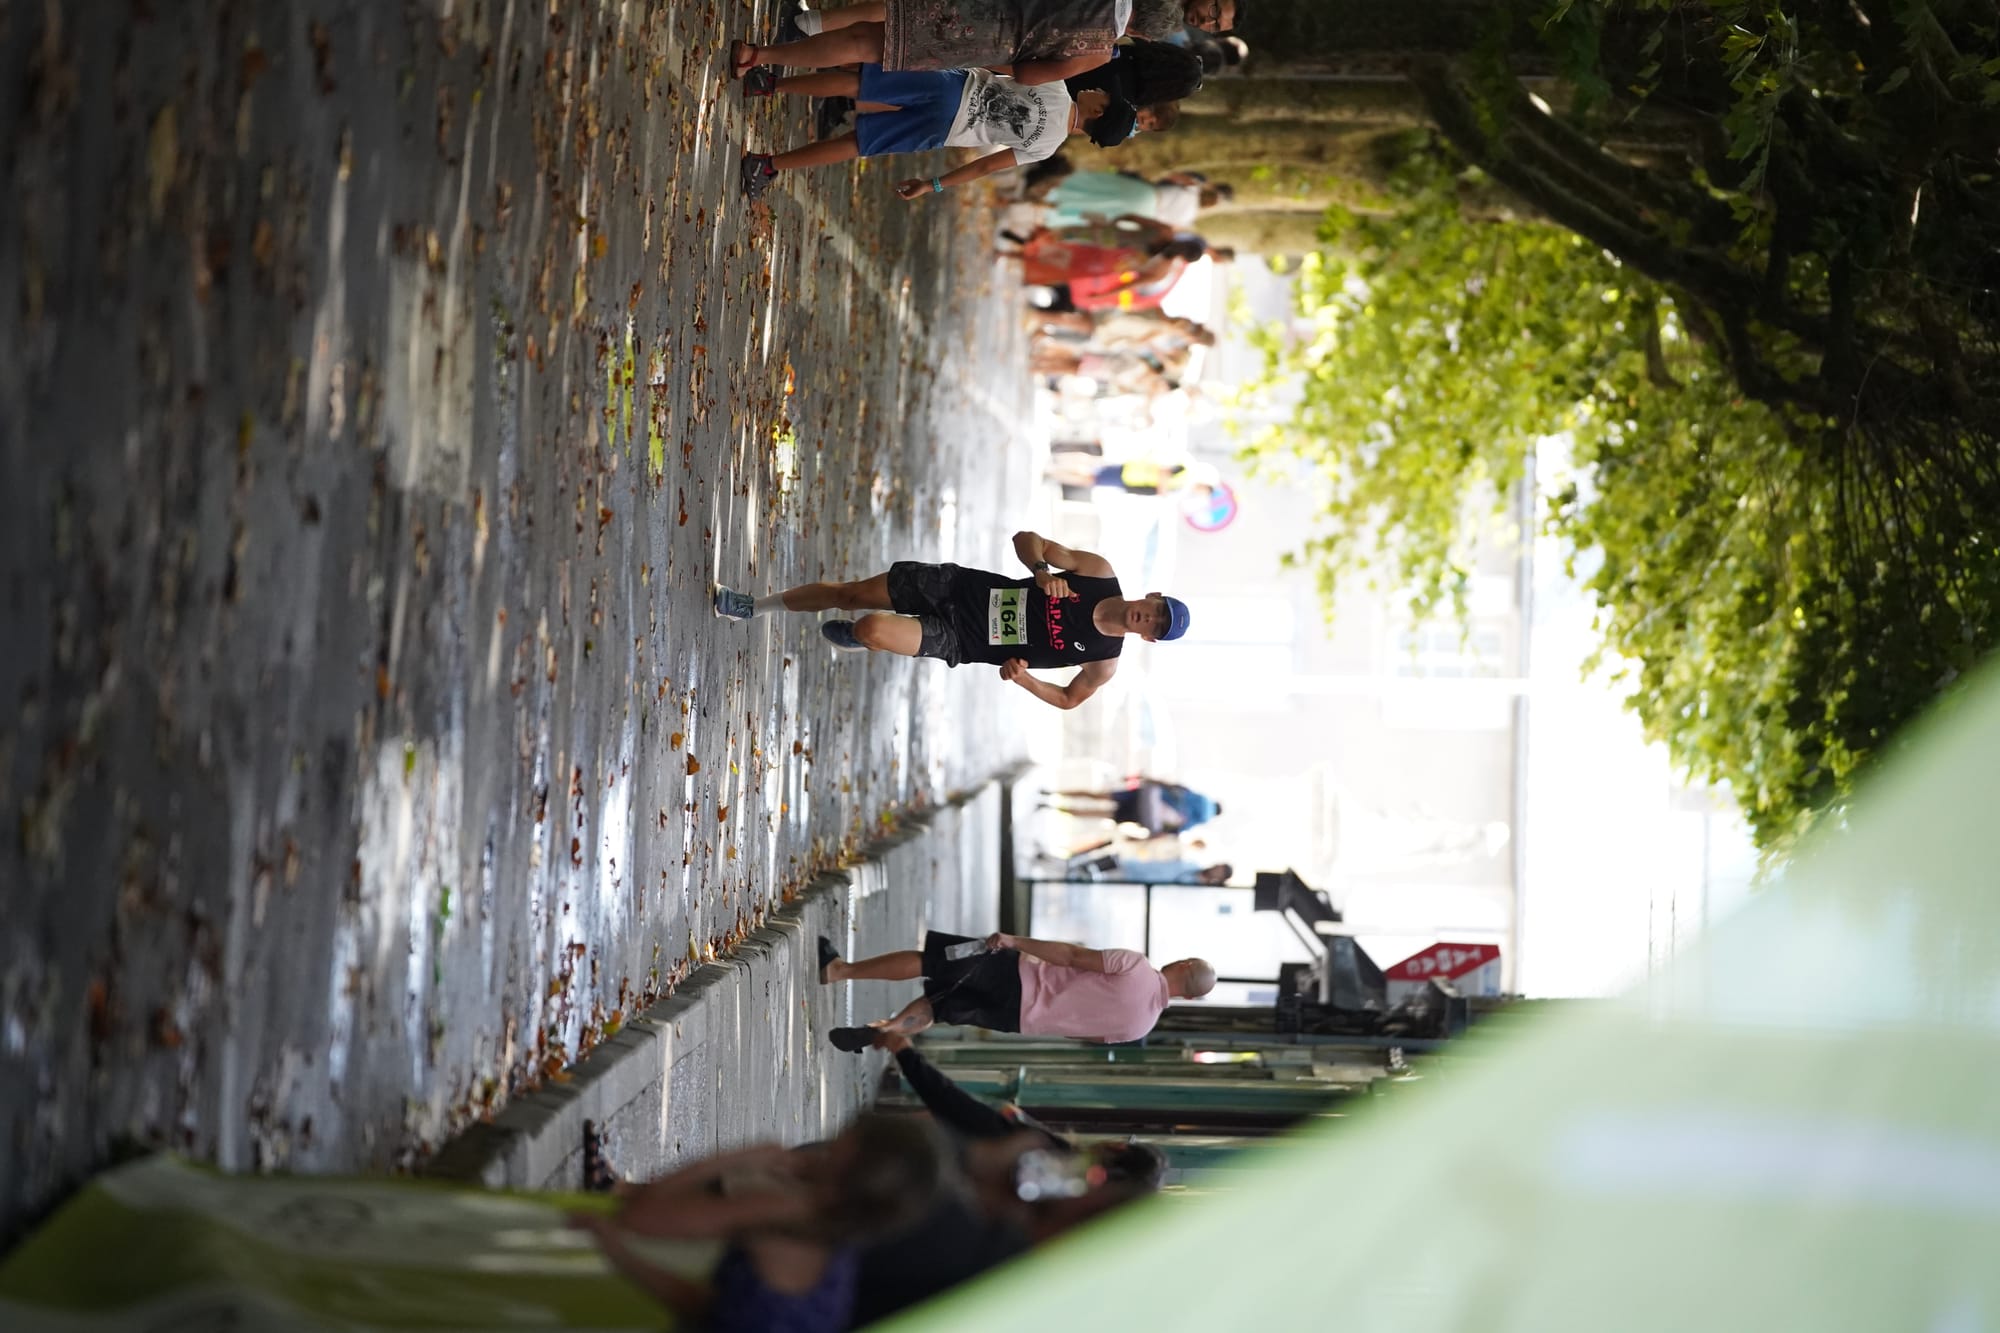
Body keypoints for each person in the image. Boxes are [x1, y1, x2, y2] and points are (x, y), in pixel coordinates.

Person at [712, 530, 1191, 712]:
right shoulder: (1097, 573)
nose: (1147, 618)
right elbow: (1027, 539)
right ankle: (753, 605)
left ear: (1147, 637)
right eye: (1155, 609)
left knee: (870, 627)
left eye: (1154, 625)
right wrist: (1042, 573)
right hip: (959, 588)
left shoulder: (1105, 663)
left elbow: (1069, 699)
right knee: (850, 594)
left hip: (962, 640)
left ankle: (863, 639)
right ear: (1150, 596)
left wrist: (1024, 681)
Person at [571, 1113, 951, 1333]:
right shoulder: (840, 1244)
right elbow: (705, 1307)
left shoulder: (789, 1209)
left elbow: (642, 1219)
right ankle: (614, 1184)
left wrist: (739, 1157)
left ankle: (614, 1186)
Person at [737, 64, 1132, 202]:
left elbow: (1005, 63)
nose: (1099, 89)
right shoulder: (1046, 148)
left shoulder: (1058, 84)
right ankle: (767, 166)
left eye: (1103, 95)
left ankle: (769, 84)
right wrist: (933, 185)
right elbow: (983, 168)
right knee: (856, 143)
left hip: (951, 88)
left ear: (1098, 109)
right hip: (946, 129)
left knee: (860, 86)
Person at [815, 929, 1216, 1051]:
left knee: (930, 962)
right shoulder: (1139, 1028)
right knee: (938, 1006)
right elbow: (1083, 1036)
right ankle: (885, 1031)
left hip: (1018, 975)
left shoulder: (1138, 966)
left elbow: (1073, 956)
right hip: (1017, 1019)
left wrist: (1016, 942)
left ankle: (840, 970)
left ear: (1183, 965)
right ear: (1191, 997)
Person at [742, 0, 1238, 86]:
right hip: (979, 42)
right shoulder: (1098, 48)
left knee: (879, 18)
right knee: (868, 48)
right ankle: (765, 58)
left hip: (978, 6)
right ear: (1146, 32)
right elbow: (1029, 74)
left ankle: (780, 41)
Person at [1047, 776, 1222, 834]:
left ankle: (1055, 794)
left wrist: (1144, 778)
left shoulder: (1194, 796)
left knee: (1097, 796)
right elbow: (1169, 832)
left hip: (1144, 796)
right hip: (1142, 816)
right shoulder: (1193, 821)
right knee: (1097, 814)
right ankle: (1053, 809)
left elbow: (1168, 786)